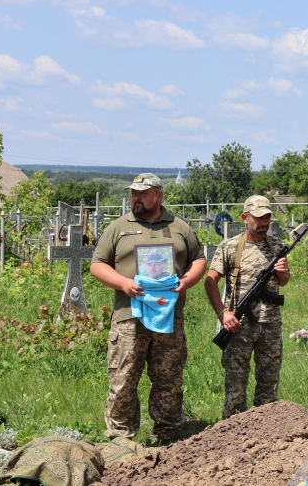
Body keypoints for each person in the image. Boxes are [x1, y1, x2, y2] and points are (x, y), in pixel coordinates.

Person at [91, 173, 206, 442]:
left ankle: (168, 435)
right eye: (134, 193)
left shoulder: (179, 226)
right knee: (123, 379)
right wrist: (123, 283)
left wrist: (187, 282)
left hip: (168, 314)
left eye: (142, 193)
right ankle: (120, 439)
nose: (136, 198)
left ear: (158, 195)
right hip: (129, 316)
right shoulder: (118, 227)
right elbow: (97, 265)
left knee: (169, 379)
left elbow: (199, 259)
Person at [204, 195, 290, 419]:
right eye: (258, 218)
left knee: (269, 384)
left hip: (270, 324)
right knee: (236, 385)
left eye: (267, 218)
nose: (264, 223)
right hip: (238, 326)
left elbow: (283, 282)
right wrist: (223, 314)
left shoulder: (276, 246)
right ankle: (233, 430)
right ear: (245, 217)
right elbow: (210, 281)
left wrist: (283, 273)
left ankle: (266, 428)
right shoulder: (230, 247)